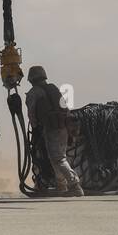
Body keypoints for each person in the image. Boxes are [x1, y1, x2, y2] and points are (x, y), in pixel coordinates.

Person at [24, 65, 83, 197]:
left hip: (51, 129)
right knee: (56, 158)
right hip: (63, 127)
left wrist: (35, 128)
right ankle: (61, 186)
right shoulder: (53, 88)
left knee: (58, 158)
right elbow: (65, 108)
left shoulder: (34, 92)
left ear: (31, 79)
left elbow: (31, 113)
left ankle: (75, 185)